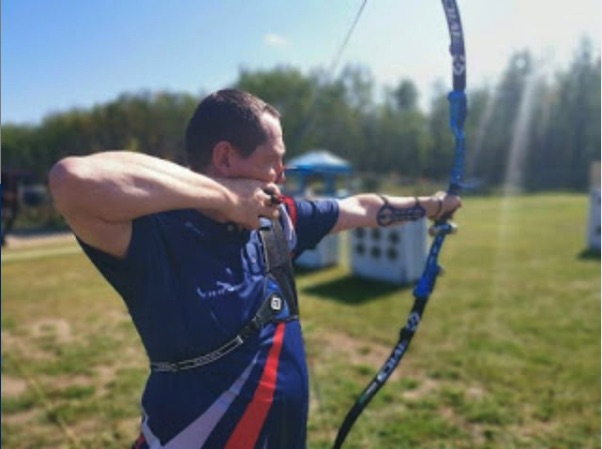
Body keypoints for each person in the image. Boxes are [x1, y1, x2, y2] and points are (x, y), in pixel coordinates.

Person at [49, 88, 461, 449]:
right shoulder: (156, 235)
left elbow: (360, 208)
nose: (282, 174)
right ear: (225, 158)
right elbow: (72, 179)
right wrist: (226, 199)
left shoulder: (279, 221)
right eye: (273, 161)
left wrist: (432, 206)